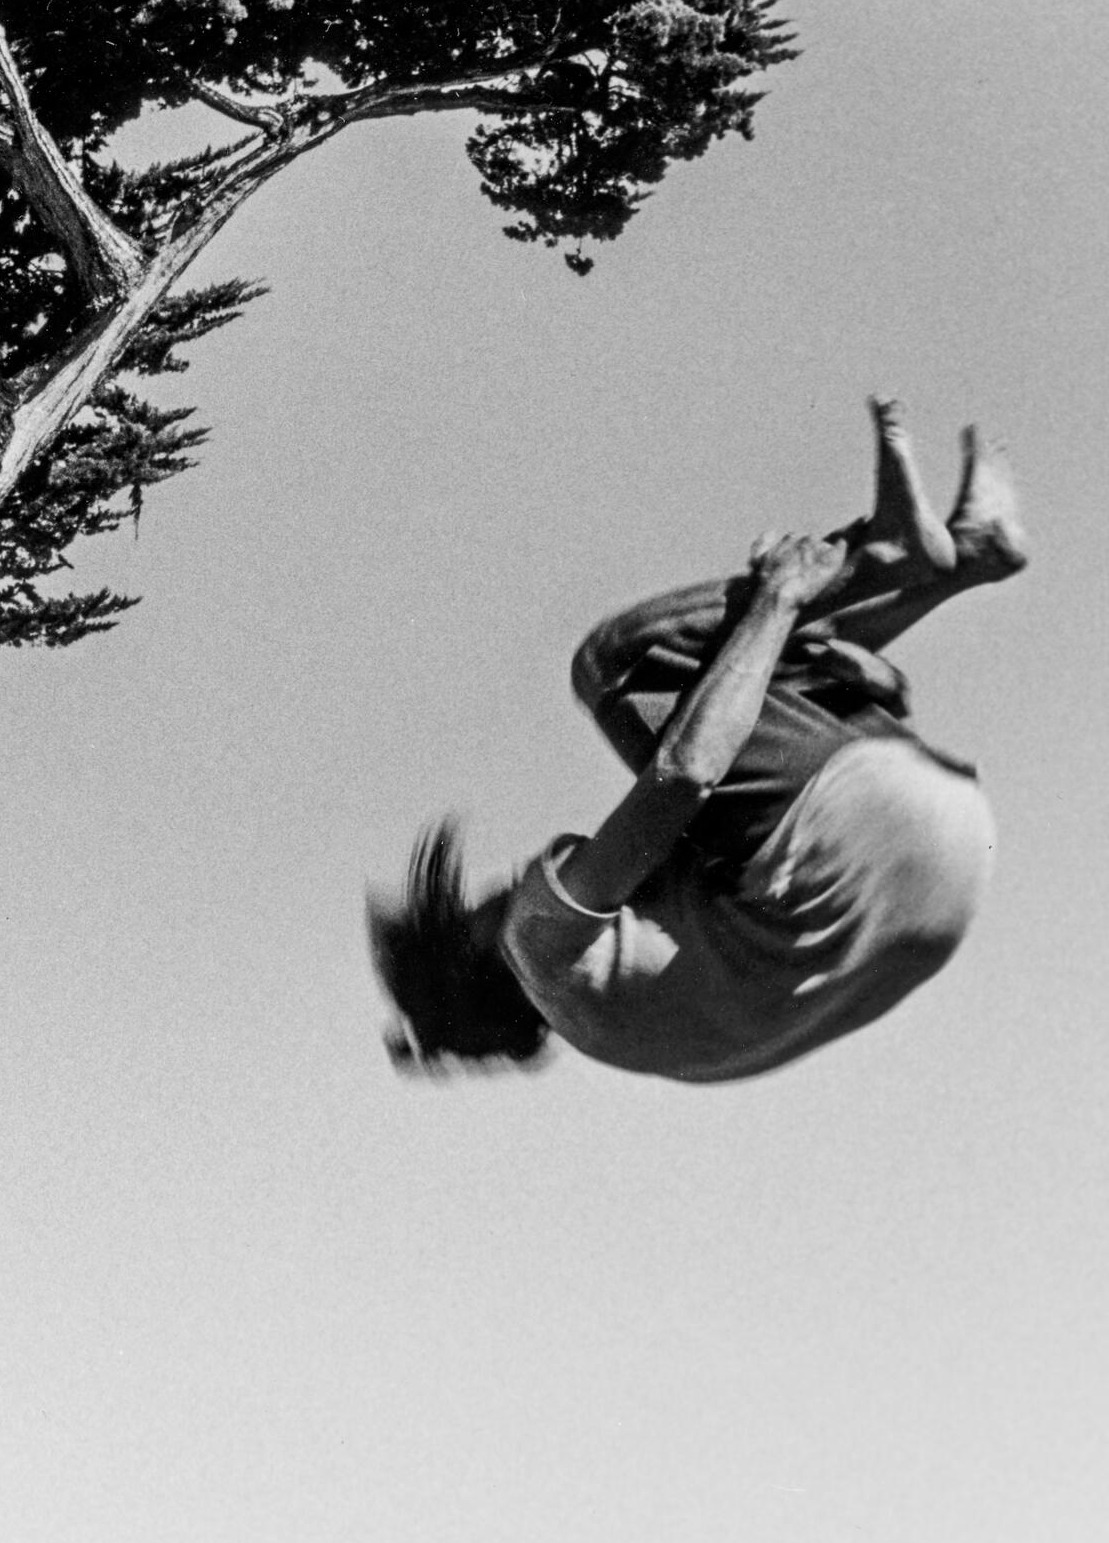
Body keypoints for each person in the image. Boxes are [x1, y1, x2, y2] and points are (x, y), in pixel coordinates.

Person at [369, 398, 1029, 1081]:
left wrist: (860, 690)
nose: (500, 883)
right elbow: (685, 772)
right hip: (850, 826)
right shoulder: (535, 943)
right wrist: (778, 597)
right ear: (472, 951)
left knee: (731, 686)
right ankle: (879, 556)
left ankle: (968, 559)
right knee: (617, 665)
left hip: (939, 865)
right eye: (475, 904)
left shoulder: (646, 1024)